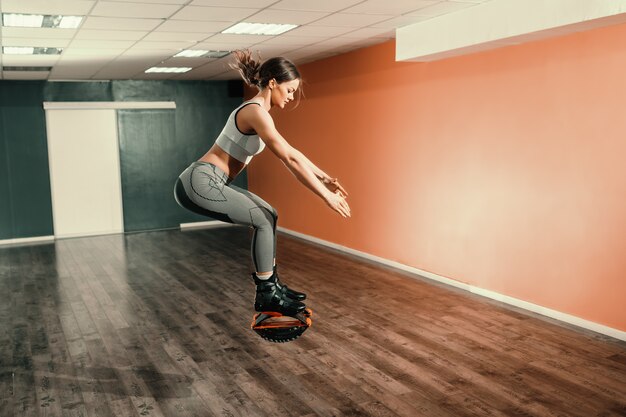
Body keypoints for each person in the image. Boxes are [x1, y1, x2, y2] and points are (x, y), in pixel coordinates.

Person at [174, 49, 351, 318]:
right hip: (199, 182)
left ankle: (273, 287)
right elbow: (289, 159)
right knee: (262, 220)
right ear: (272, 83)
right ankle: (267, 295)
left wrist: (323, 176)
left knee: (270, 215)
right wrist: (325, 195)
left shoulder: (261, 113)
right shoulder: (255, 112)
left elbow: (293, 151)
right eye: (289, 90)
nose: (291, 97)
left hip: (210, 181)